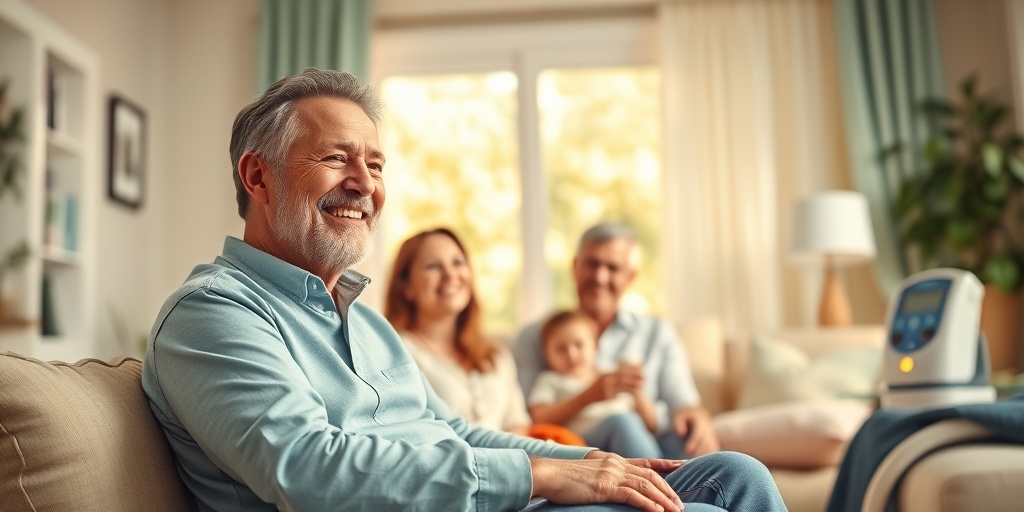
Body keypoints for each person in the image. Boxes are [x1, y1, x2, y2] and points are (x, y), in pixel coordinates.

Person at [141, 67, 785, 512]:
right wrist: (541, 474)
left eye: (375, 164)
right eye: (337, 158)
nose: (364, 183)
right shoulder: (215, 315)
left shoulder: (361, 320)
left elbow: (454, 431)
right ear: (258, 175)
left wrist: (595, 461)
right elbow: (307, 470)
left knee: (736, 473)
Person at [513, 222, 721, 459]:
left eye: (613, 268)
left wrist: (697, 418)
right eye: (592, 264)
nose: (600, 277)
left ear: (631, 277)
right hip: (580, 448)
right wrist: (590, 395)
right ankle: (667, 489)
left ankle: (700, 486)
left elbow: (683, 405)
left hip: (650, 438)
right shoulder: (535, 337)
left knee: (710, 456)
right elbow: (526, 418)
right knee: (624, 423)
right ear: (575, 267)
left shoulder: (657, 332)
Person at [383, 227, 582, 445]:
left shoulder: (495, 354)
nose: (451, 275)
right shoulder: (395, 353)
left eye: (458, 263)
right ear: (406, 287)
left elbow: (518, 425)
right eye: (433, 266)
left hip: (513, 470)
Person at [529, 309, 663, 458]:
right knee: (621, 421)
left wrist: (637, 393)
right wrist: (587, 397)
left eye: (579, 345)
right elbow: (539, 418)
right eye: (561, 349)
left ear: (595, 345)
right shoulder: (550, 380)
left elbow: (652, 425)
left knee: (628, 422)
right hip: (585, 444)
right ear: (547, 355)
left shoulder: (611, 375)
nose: (571, 355)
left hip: (627, 440)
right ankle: (660, 474)